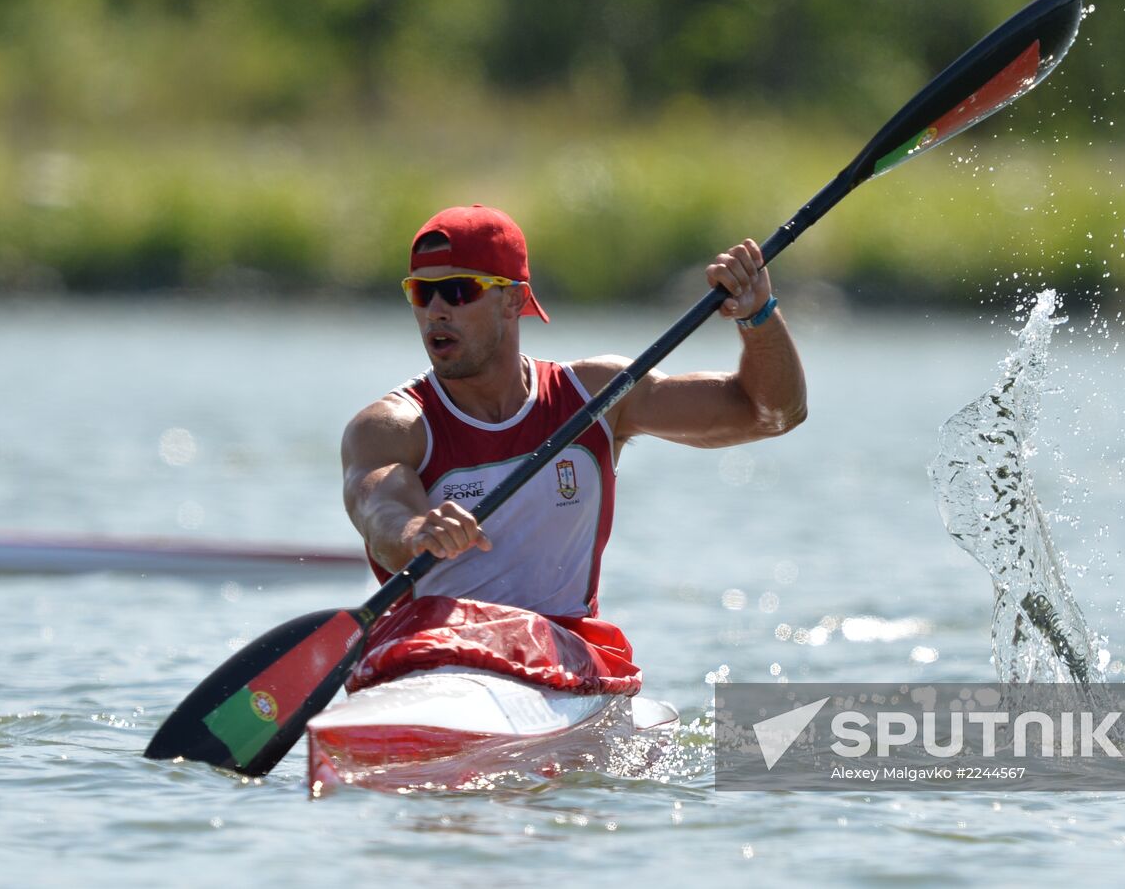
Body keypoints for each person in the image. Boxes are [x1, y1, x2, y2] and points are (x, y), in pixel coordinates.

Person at [338, 203, 805, 693]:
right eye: (421, 292)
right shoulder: (390, 427)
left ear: (513, 300)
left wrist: (759, 317)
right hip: (433, 651)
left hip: (561, 658)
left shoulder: (597, 397)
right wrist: (414, 529)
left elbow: (770, 412)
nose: (436, 309)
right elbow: (377, 506)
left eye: (458, 290)